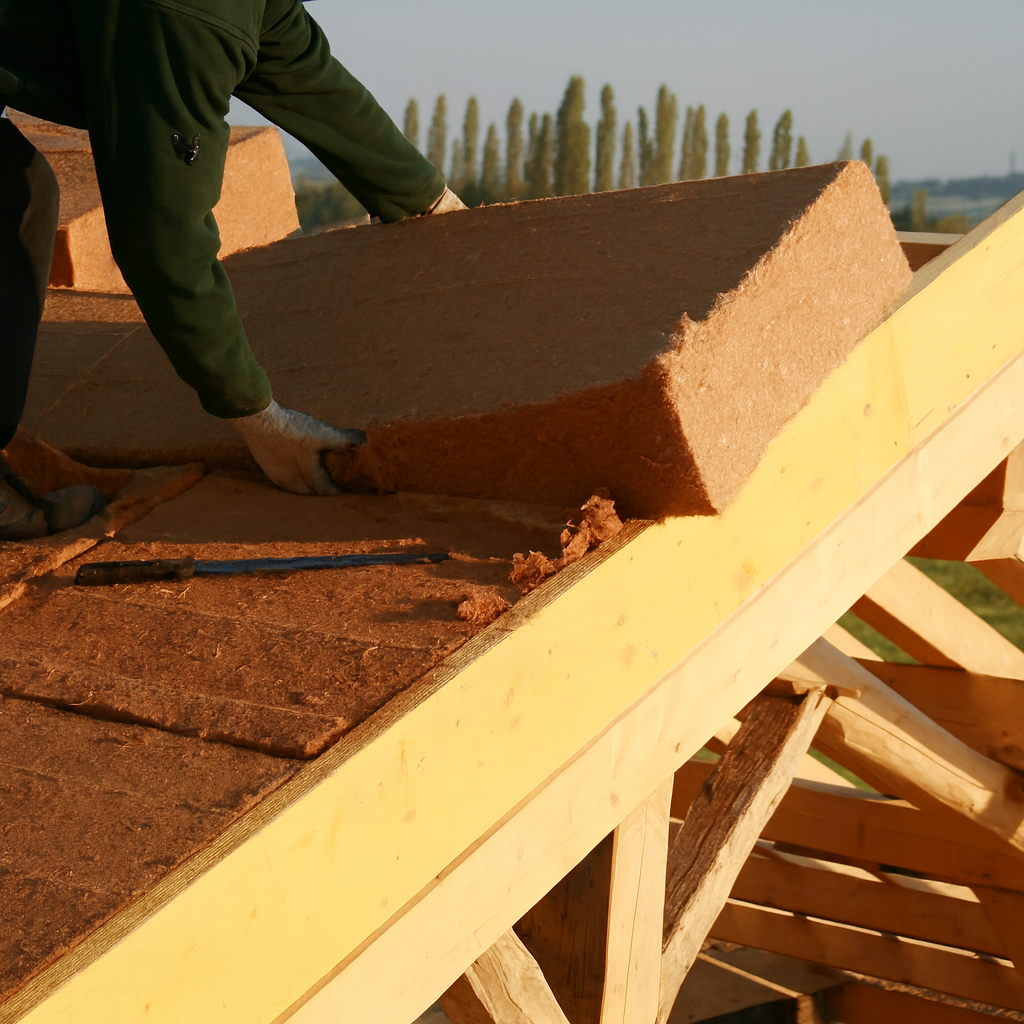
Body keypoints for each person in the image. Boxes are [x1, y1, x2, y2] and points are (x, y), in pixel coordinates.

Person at [0, 0, 463, 540]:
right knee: (14, 195)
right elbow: (160, 238)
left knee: (16, 191)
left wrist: (428, 199)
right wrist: (256, 415)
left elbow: (309, 79)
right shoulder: (187, 13)